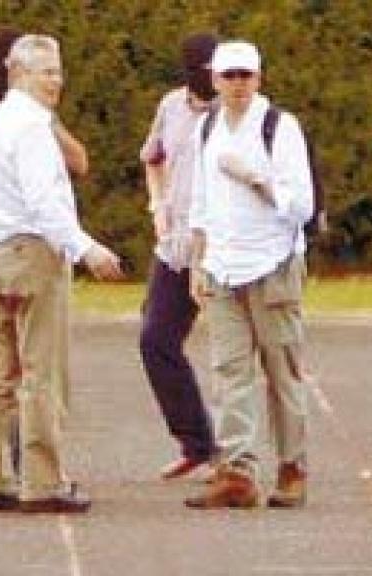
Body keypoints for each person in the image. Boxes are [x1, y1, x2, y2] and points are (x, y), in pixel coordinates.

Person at [0, 34, 122, 514]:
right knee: (41, 372)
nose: (55, 81)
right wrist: (86, 248)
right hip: (31, 254)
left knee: (0, 373)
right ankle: (43, 481)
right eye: (45, 72)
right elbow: (44, 203)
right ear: (17, 74)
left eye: (57, 70)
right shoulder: (31, 128)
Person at [184, 40, 314, 509]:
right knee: (229, 372)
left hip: (271, 265)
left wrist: (255, 179)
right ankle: (237, 471)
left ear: (258, 78)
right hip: (222, 267)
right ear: (215, 80)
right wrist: (198, 262)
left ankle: (292, 467)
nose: (238, 84)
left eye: (246, 75)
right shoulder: (207, 128)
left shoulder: (280, 127)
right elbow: (200, 203)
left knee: (282, 371)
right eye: (230, 76)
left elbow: (302, 205)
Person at [0, 26, 88, 394]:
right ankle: (20, 433)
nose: (53, 79)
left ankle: (8, 434)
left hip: (12, 248)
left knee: (14, 369)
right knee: (4, 367)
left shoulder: (35, 114)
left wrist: (48, 124)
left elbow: (79, 163)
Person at [138, 33, 219, 481]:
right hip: (176, 248)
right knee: (156, 340)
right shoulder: (171, 106)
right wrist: (157, 205)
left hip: (223, 248)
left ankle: (242, 457)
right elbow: (153, 158)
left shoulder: (235, 112)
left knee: (235, 351)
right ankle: (197, 443)